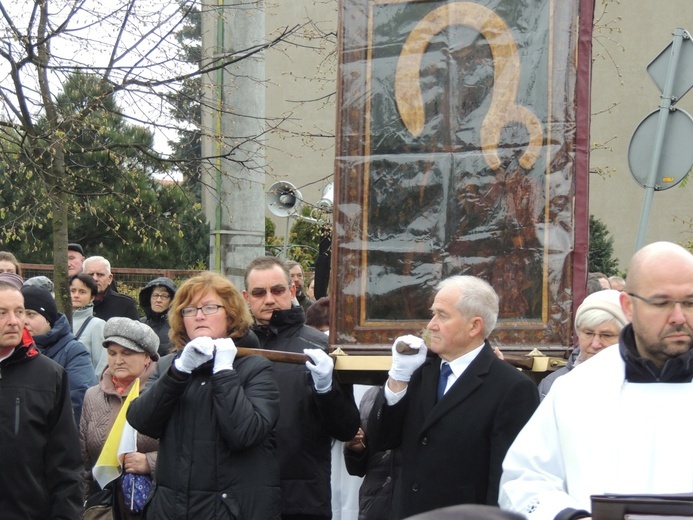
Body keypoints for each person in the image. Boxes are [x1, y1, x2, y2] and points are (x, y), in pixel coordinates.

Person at [499, 241, 693, 520]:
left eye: (689, 302)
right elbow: (524, 481)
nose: (678, 317)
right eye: (661, 303)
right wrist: (569, 517)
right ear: (628, 306)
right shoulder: (577, 389)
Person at [367, 275, 539, 520]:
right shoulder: (420, 373)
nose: (431, 325)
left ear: (474, 326)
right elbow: (382, 439)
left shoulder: (512, 387)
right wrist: (398, 380)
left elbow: (506, 480)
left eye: (442, 315)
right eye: (433, 314)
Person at [127, 271, 281, 519]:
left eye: (209, 307)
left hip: (229, 511)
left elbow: (244, 433)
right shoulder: (170, 366)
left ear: (230, 314)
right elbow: (142, 420)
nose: (198, 316)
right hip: (171, 510)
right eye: (189, 310)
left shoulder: (255, 368)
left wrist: (223, 371)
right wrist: (179, 372)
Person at [243, 256, 360, 520]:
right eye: (259, 293)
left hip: (302, 497)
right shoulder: (235, 349)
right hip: (243, 494)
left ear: (292, 290)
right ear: (246, 297)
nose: (269, 299)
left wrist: (326, 388)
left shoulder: (321, 347)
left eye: (278, 290)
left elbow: (347, 428)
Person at [0, 274, 83, 519]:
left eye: (20, 311)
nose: (14, 321)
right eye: (2, 313)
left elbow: (66, 465)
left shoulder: (50, 376)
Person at [80, 317, 159, 516]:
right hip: (105, 509)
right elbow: (83, 463)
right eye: (112, 353)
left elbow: (186, 454)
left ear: (147, 357)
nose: (118, 360)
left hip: (154, 507)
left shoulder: (162, 394)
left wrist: (149, 462)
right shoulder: (93, 396)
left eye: (127, 353)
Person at [22, 285, 97, 423]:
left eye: (31, 314)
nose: (24, 321)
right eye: (20, 313)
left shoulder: (72, 351)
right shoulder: (10, 349)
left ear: (48, 319)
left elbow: (81, 399)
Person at [537, 289, 628, 400]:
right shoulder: (551, 384)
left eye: (607, 335)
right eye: (588, 333)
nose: (595, 344)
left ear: (625, 338)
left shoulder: (640, 385)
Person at [344, 386, 394, 520]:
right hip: (373, 504)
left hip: (410, 503)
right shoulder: (370, 396)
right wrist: (356, 449)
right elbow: (357, 469)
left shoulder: (426, 388)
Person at [70, 273, 108, 377]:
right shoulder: (58, 320)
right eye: (73, 291)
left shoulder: (97, 325)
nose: (76, 295)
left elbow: (101, 363)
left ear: (92, 297)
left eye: (82, 292)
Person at [83, 256, 139, 321]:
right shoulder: (75, 302)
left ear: (110, 278)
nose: (95, 279)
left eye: (100, 274)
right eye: (90, 274)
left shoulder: (125, 305)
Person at [138, 276, 176, 356]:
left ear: (172, 300)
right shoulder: (140, 324)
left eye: (164, 296)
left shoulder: (177, 326)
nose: (158, 300)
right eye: (155, 295)